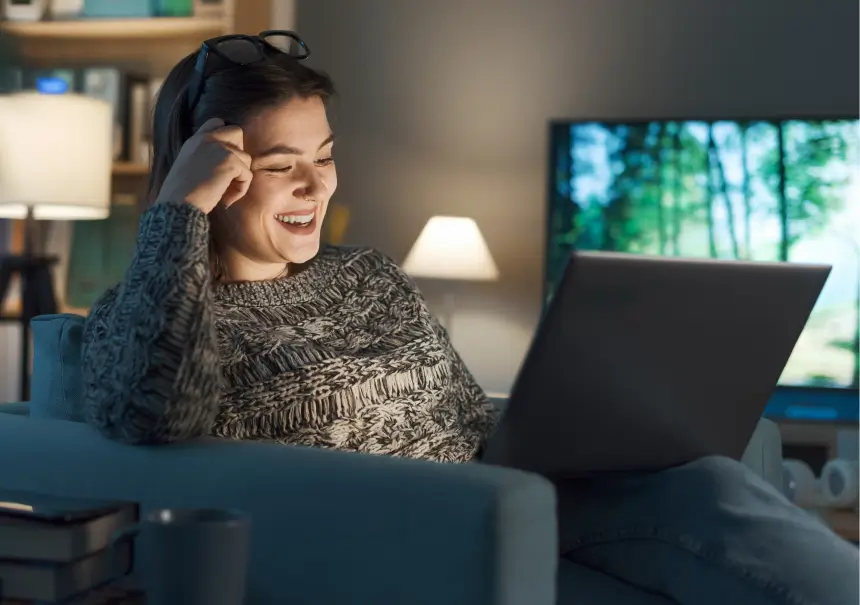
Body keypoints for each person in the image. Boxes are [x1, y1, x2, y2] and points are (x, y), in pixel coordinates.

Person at [81, 31, 858, 605]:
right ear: (208, 170)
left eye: (324, 155)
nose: (314, 186)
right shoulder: (147, 312)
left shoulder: (367, 274)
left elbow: (464, 419)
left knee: (707, 482)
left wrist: (589, 429)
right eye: (281, 166)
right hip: (400, 537)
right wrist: (176, 213)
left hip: (505, 498)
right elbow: (151, 412)